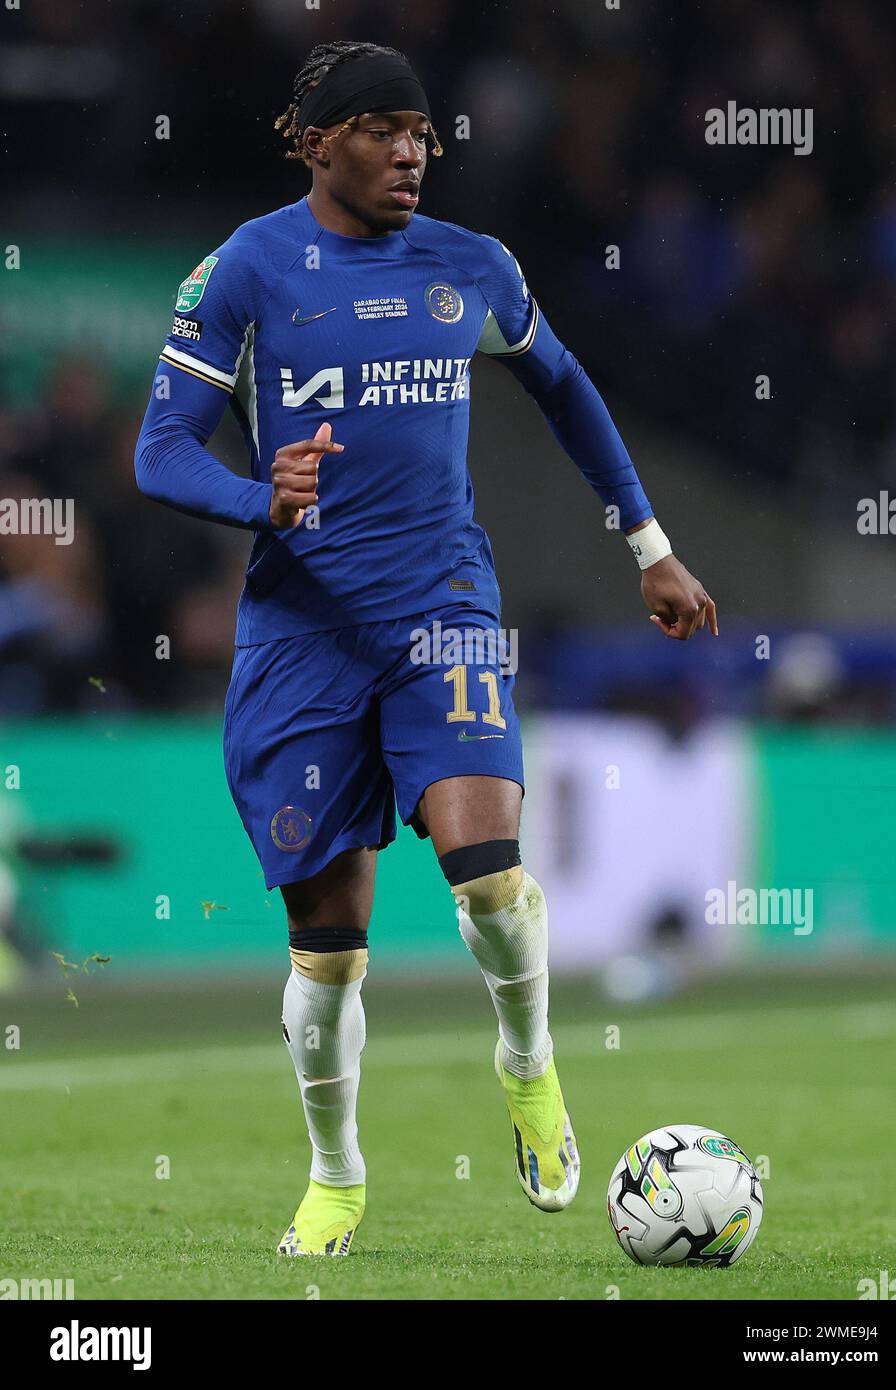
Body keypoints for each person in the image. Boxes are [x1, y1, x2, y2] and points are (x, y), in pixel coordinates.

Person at [135, 39, 717, 1258]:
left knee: (488, 875)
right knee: (328, 948)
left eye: (423, 132)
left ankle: (529, 1061)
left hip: (445, 609)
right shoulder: (244, 269)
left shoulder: (474, 266)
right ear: (315, 141)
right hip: (300, 636)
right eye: (383, 128)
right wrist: (261, 498)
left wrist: (648, 544)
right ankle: (338, 1175)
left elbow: (565, 387)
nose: (412, 152)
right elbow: (163, 450)